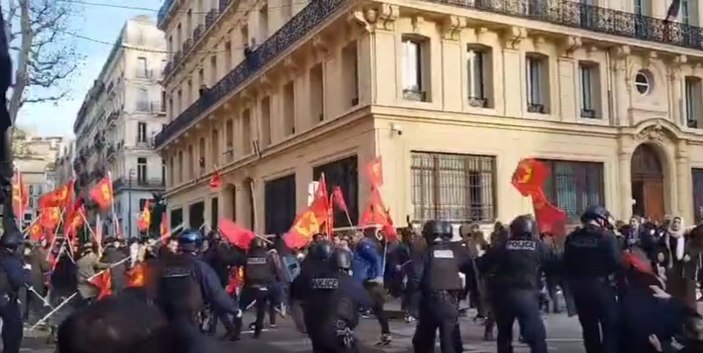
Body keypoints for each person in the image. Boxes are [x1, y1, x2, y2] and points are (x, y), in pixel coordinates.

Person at [153, 229, 242, 347]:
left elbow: (157, 294)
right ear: (197, 246)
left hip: (166, 322)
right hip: (190, 322)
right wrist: (235, 310)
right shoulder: (198, 266)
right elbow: (215, 294)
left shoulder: (166, 267)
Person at [481, 215, 549, 353]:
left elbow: (483, 264)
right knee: (536, 336)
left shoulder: (503, 246)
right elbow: (553, 264)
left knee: (504, 336)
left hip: (503, 295)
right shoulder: (538, 246)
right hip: (527, 295)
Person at [563, 205, 621, 353]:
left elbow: (566, 263)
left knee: (589, 329)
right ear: (600, 219)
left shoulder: (572, 238)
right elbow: (616, 262)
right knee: (609, 327)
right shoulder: (607, 237)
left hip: (580, 289)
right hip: (602, 288)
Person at [291, 246, 371, 353]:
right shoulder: (351, 282)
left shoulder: (312, 278)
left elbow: (296, 298)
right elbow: (366, 303)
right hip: (338, 332)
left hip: (314, 330)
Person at [412, 220, 469, 353]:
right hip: (451, 302)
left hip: (430, 303)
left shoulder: (424, 253)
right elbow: (472, 270)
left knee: (423, 343)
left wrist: (412, 302)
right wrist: (464, 293)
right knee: (451, 343)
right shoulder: (457, 252)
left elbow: (415, 278)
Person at [242, 237, 280, 338]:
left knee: (241, 307)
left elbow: (245, 273)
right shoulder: (269, 256)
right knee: (262, 308)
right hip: (266, 285)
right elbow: (276, 270)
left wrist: (247, 284)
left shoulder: (248, 257)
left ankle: (235, 328)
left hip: (251, 285)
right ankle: (260, 328)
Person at [0, 229, 30, 353]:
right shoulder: (11, 261)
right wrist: (27, 271)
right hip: (6, 299)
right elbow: (20, 281)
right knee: (14, 330)